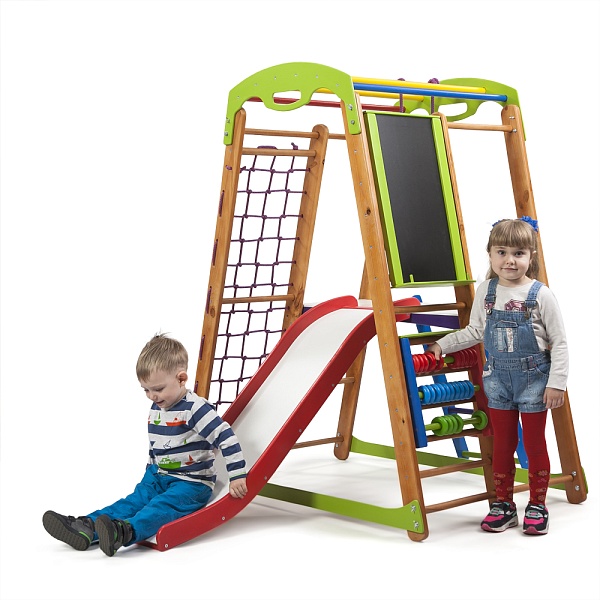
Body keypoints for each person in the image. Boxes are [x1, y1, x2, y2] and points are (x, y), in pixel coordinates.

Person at [43, 333, 248, 556]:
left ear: (181, 379)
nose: (152, 396)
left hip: (191, 483)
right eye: (146, 390)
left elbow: (225, 436)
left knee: (161, 507)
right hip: (158, 475)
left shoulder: (195, 409)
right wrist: (150, 470)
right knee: (131, 502)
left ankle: (124, 532)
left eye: (158, 389)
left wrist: (237, 475)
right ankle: (87, 527)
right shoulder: (158, 407)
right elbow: (157, 444)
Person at [427, 217, 567, 535]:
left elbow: (559, 342)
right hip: (498, 381)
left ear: (531, 256)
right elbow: (475, 331)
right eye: (501, 252)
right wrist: (443, 344)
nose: (509, 260)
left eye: (518, 253)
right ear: (490, 254)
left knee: (533, 442)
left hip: (534, 381)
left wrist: (556, 383)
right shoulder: (486, 291)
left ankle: (537, 505)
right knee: (503, 443)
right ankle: (503, 505)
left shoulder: (541, 295)